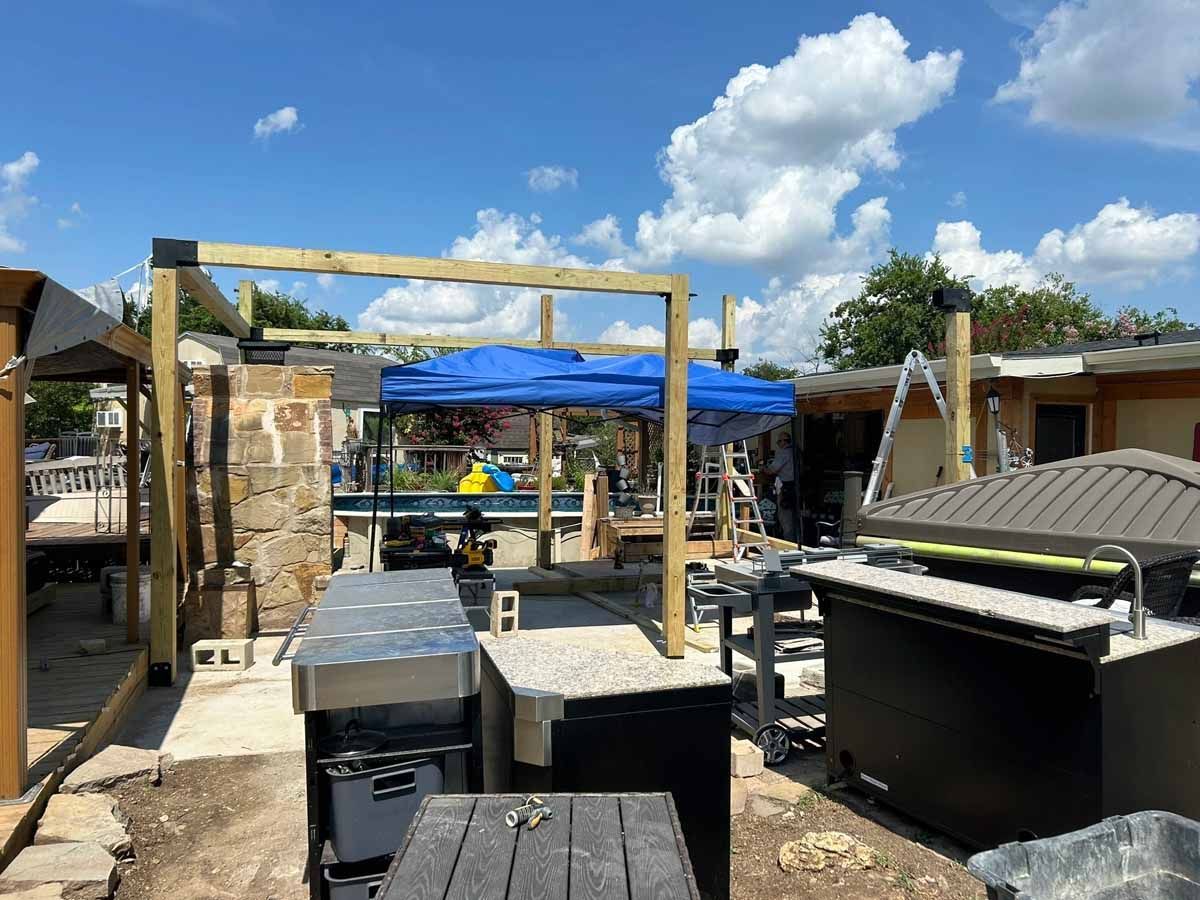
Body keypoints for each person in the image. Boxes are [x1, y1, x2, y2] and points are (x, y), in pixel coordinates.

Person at [762, 432, 795, 542]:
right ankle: (795, 540)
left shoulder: (784, 453)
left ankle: (788, 543)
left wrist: (763, 468)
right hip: (796, 486)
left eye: (779, 441)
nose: (778, 444)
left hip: (786, 487)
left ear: (784, 441)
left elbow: (772, 469)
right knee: (793, 515)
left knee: (785, 517)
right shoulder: (796, 451)